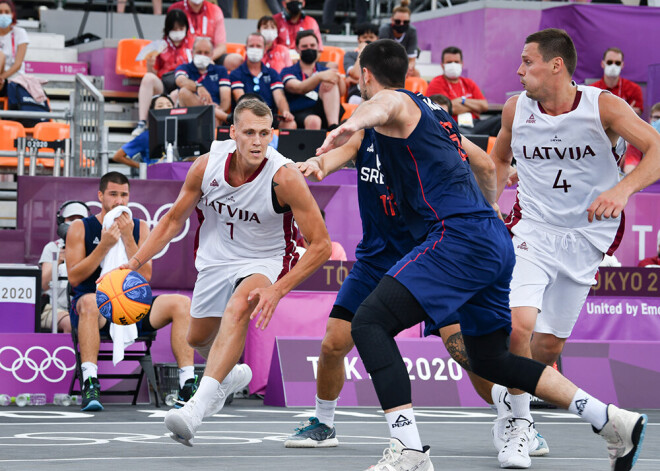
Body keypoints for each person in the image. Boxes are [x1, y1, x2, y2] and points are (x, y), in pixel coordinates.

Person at [319, 38, 649, 471]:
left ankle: (410, 451)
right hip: (494, 237)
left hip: (459, 240)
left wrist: (349, 123)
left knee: (369, 322)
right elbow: (483, 163)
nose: (518, 69)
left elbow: (381, 106)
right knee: (495, 358)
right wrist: (491, 207)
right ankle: (609, 419)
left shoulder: (395, 104)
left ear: (365, 76)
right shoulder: (438, 113)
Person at [489, 28, 659, 468]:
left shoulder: (603, 105)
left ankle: (509, 396)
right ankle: (517, 426)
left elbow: (656, 147)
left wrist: (623, 191)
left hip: (588, 236)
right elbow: (500, 156)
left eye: (528, 61)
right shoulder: (515, 108)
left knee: (546, 349)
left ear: (556, 65)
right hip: (534, 227)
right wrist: (491, 200)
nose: (519, 69)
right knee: (519, 324)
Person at [118, 98, 332, 446]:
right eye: (249, 132)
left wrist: (278, 290)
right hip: (217, 258)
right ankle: (230, 374)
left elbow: (321, 245)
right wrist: (134, 263)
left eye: (265, 133)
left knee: (238, 308)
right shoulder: (206, 166)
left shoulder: (285, 177)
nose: (257, 141)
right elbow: (173, 221)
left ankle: (195, 409)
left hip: (266, 259)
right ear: (232, 133)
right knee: (198, 338)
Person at [284, 125, 500, 449]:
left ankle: (516, 418)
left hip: (429, 262)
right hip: (375, 262)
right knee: (332, 345)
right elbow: (335, 157)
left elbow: (484, 164)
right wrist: (320, 164)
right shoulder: (364, 136)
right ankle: (324, 423)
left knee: (464, 351)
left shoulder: (429, 134)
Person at [65, 172, 197, 412]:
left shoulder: (139, 226)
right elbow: (74, 277)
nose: (119, 201)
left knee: (181, 303)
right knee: (89, 303)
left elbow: (145, 276)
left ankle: (187, 383)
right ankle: (90, 381)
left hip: (133, 304)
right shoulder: (81, 227)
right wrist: (104, 246)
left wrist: (127, 238)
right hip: (96, 308)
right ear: (100, 196)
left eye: (124, 195)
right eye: (113, 195)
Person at [132, 9, 192, 137]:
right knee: (148, 78)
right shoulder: (160, 46)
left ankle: (173, 131)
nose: (177, 32)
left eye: (180, 28)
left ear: (186, 28)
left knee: (177, 94)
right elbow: (153, 73)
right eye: (174, 29)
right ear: (168, 29)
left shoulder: (193, 46)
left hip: (183, 85)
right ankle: (142, 122)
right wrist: (149, 63)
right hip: (164, 84)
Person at [426, 46, 501, 137]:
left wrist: (462, 101)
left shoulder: (469, 82)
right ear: (442, 65)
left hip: (476, 124)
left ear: (462, 64)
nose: (453, 65)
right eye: (449, 62)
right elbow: (447, 109)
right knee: (464, 134)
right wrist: (473, 107)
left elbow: (484, 106)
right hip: (453, 124)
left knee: (501, 120)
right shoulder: (436, 83)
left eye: (456, 62)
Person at [39, 201, 90, 334]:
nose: (75, 223)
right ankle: (68, 355)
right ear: (61, 222)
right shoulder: (52, 248)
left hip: (84, 306)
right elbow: (43, 284)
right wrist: (58, 260)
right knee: (71, 323)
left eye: (80, 220)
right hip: (52, 308)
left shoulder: (93, 248)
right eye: (71, 219)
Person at [228, 32, 296, 130]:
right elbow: (241, 99)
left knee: (290, 124)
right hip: (245, 117)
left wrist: (285, 111)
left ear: (265, 50)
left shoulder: (272, 73)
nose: (255, 48)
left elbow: (280, 97)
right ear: (246, 48)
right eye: (251, 46)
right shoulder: (236, 73)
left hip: (268, 118)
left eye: (258, 46)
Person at [281, 30, 345, 130]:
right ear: (297, 49)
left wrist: (337, 78)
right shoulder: (288, 71)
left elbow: (342, 92)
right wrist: (319, 77)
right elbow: (299, 88)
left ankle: (333, 127)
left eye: (312, 45)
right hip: (299, 113)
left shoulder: (325, 71)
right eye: (305, 46)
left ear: (318, 47)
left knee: (330, 82)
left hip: (324, 112)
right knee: (314, 120)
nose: (309, 48)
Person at [175, 36, 231, 126]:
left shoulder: (220, 70)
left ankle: (217, 114)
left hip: (215, 117)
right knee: (184, 91)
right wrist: (198, 87)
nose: (202, 55)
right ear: (192, 53)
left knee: (214, 119)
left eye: (206, 53)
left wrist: (219, 110)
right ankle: (226, 117)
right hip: (191, 115)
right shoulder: (184, 68)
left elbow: (226, 99)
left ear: (212, 54)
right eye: (199, 52)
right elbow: (180, 81)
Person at [168, 0, 236, 69]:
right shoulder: (176, 9)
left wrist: (206, 58)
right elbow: (171, 41)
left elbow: (222, 47)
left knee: (235, 60)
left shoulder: (215, 10)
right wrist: (191, 59)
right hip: (185, 55)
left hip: (210, 55)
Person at [114, 95, 174, 170]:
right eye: (160, 106)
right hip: (156, 178)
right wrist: (144, 167)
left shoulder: (180, 134)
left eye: (169, 105)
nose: (166, 108)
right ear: (152, 111)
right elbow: (117, 156)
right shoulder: (146, 136)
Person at [591, 47, 643, 115]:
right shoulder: (592, 89)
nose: (613, 65)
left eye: (617, 63)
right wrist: (625, 111)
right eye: (609, 62)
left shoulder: (634, 89)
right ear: (602, 64)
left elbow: (638, 113)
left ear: (622, 65)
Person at [378, 1, 419, 77]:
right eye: (398, 21)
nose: (401, 24)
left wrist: (409, 67)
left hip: (403, 64)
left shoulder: (412, 31)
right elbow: (383, 56)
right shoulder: (385, 30)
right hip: (385, 64)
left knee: (416, 74)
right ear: (392, 20)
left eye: (405, 22)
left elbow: (412, 59)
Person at [344, 23, 378, 105]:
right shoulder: (350, 55)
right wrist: (362, 50)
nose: (368, 40)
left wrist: (357, 80)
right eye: (364, 37)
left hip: (378, 93)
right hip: (357, 93)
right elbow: (355, 74)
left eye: (371, 37)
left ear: (377, 39)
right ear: (359, 40)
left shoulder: (383, 56)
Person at [623, 102, 660, 174]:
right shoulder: (638, 142)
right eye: (657, 117)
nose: (659, 122)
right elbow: (630, 172)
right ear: (650, 119)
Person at [0, 0, 27, 95]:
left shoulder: (20, 33)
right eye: (0, 12)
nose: (3, 15)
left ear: (12, 14)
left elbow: (18, 64)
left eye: (6, 12)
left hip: (12, 79)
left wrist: (2, 77)